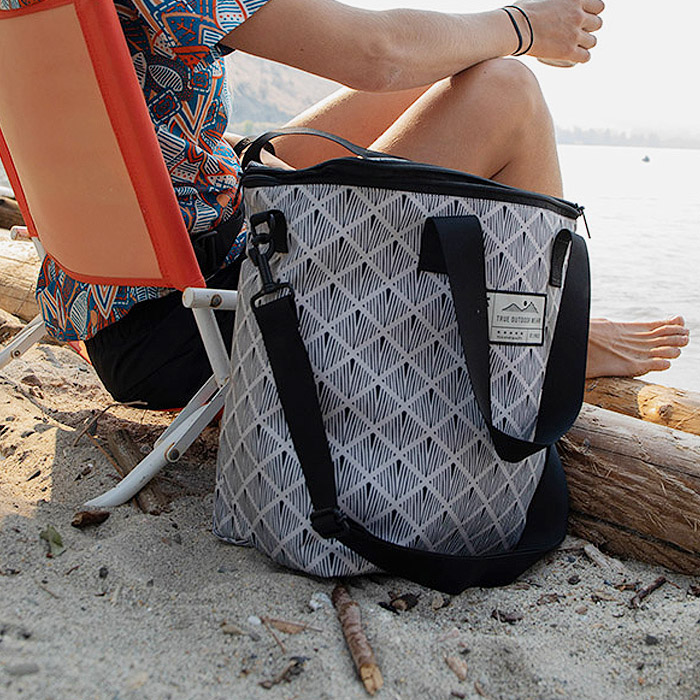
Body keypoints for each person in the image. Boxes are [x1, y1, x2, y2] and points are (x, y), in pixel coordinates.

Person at [23, 0, 691, 408]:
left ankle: (521, 319)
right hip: (197, 319)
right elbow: (379, 52)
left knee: (440, 76)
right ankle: (541, 339)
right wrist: (524, 25)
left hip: (121, 288)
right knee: (508, 91)